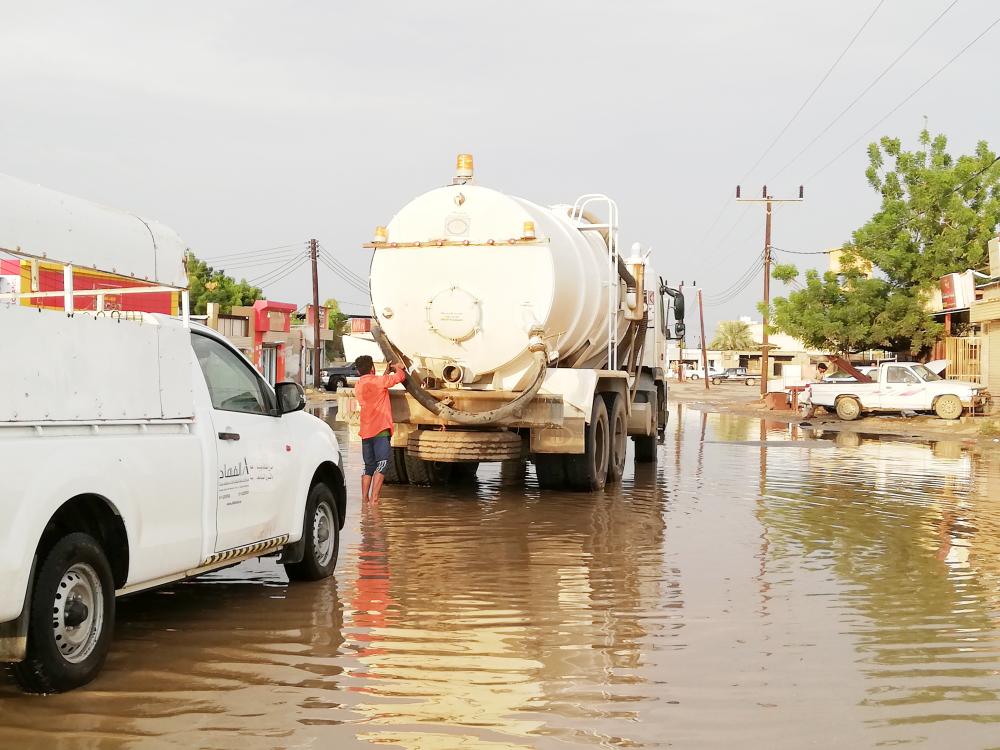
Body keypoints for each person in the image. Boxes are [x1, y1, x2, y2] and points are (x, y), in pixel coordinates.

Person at [354, 355, 406, 503]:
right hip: (380, 429)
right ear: (372, 368)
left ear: (358, 372)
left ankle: (364, 500)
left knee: (368, 466)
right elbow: (400, 377)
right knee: (382, 463)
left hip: (366, 431)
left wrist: (387, 372)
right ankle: (375, 500)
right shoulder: (379, 381)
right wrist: (397, 368)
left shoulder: (358, 385)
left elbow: (379, 384)